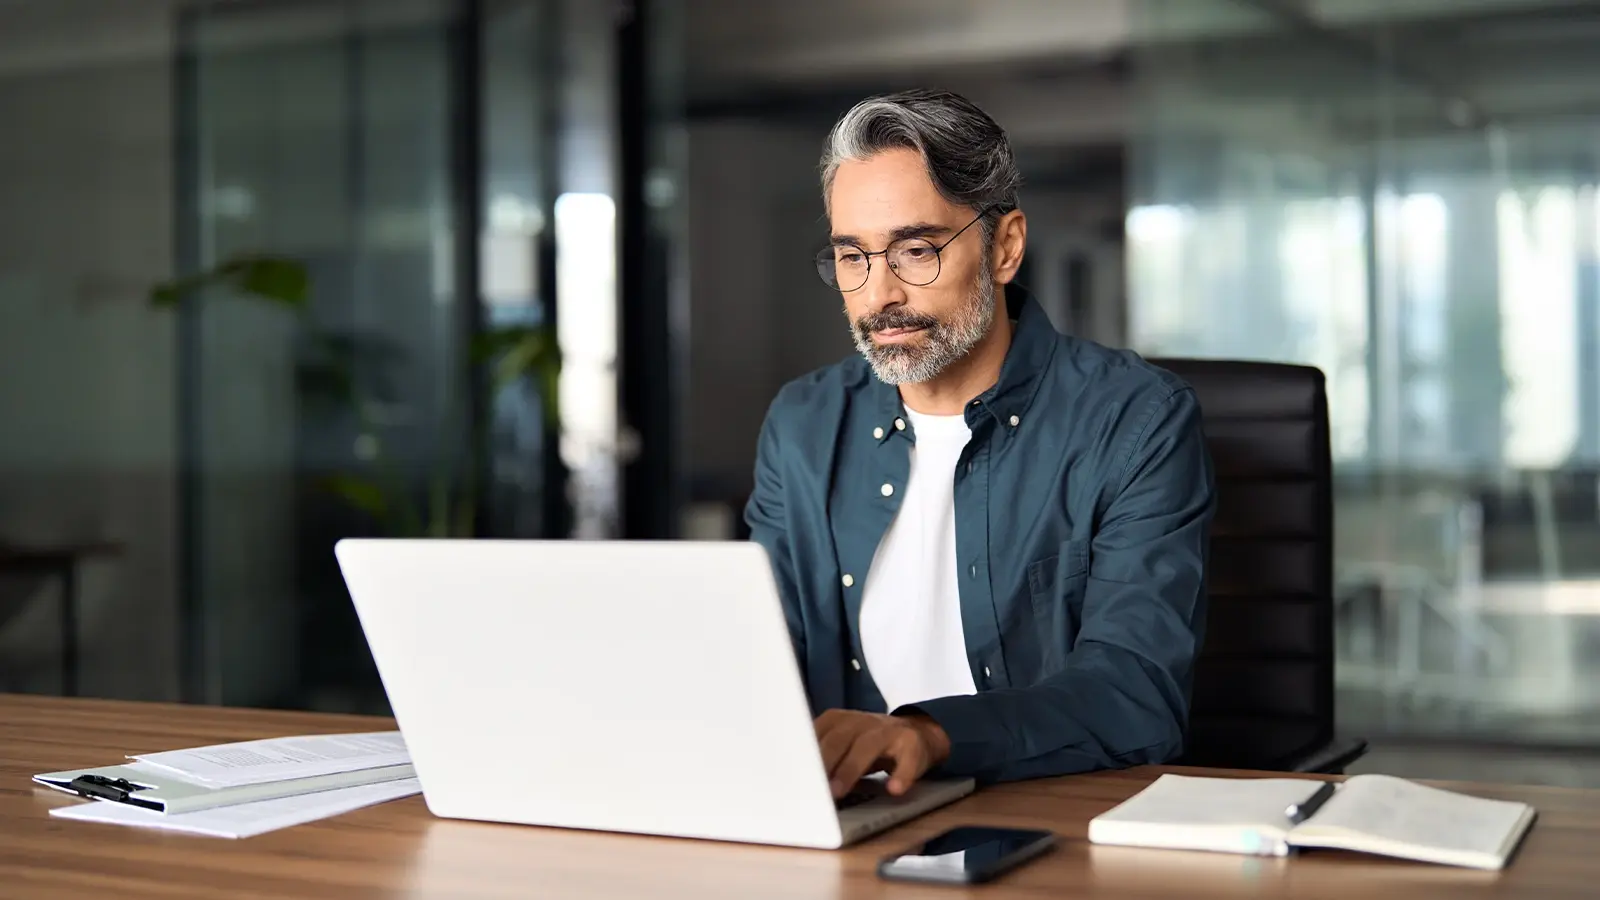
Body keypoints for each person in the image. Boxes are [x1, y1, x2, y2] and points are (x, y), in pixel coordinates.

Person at [743, 89, 1216, 800]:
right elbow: (754, 657)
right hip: (846, 822)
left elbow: (1135, 694)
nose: (879, 295)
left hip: (1052, 819)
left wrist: (932, 736)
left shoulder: (1135, 421)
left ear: (1004, 248)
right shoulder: (803, 424)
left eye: (916, 250)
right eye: (853, 257)